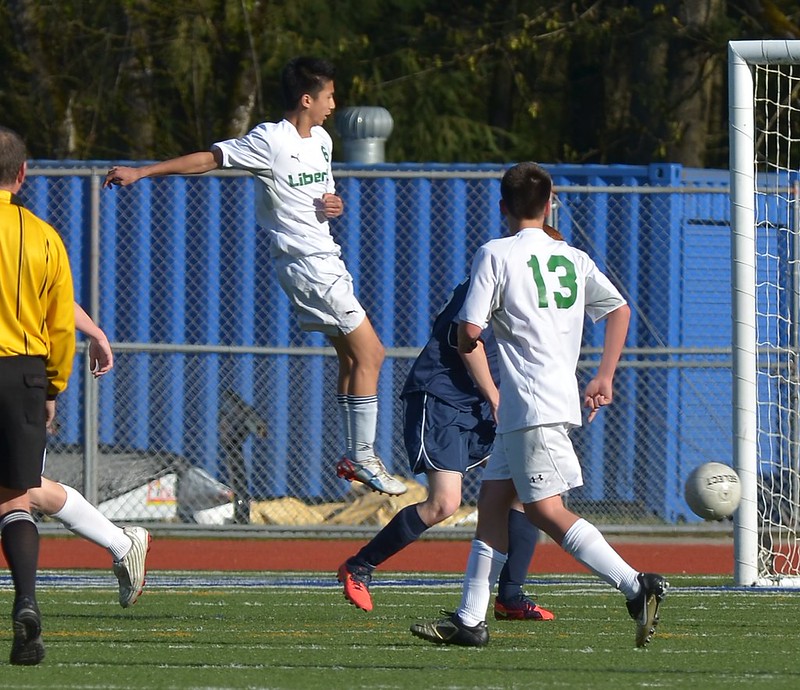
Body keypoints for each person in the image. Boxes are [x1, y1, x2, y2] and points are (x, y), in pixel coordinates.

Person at [103, 56, 406, 497]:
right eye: (329, 96)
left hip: (326, 258)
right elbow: (209, 159)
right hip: (308, 264)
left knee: (352, 359)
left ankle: (354, 454)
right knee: (373, 354)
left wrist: (330, 205)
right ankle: (362, 456)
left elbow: (317, 194)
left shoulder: (321, 139)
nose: (334, 104)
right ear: (307, 99)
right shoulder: (270, 138)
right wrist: (142, 172)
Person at [410, 162, 667, 649]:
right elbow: (619, 308)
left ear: (503, 207)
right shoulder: (573, 257)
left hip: (531, 401)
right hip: (537, 402)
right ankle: (469, 620)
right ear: (550, 204)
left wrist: (481, 347)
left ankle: (636, 586)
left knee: (546, 510)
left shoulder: (495, 252)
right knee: (490, 504)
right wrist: (605, 373)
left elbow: (469, 332)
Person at [338, 278, 554, 620]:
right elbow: (466, 340)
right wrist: (496, 397)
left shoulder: (533, 290)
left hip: (483, 403)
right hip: (443, 400)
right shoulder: (489, 281)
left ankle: (510, 595)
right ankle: (360, 565)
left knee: (523, 491)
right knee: (444, 504)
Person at [0, 125, 75, 665]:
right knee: (14, 500)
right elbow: (60, 327)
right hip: (23, 374)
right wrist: (54, 386)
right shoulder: (44, 237)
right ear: (22, 176)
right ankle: (26, 601)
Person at [28, 302, 151, 609]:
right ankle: (123, 543)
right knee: (24, 490)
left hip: (16, 381)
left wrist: (96, 334)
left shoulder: (22, 255)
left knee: (23, 490)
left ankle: (122, 543)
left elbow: (55, 296)